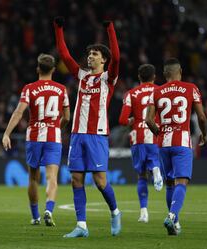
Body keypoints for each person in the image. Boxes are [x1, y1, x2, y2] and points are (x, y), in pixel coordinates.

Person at [54, 17, 121, 238]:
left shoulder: (108, 78)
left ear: (104, 60)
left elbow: (117, 56)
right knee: (76, 179)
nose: (90, 56)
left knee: (100, 182)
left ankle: (115, 212)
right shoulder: (81, 76)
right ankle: (81, 226)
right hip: (77, 135)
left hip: (97, 135)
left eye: (95, 54)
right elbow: (64, 55)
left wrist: (109, 28)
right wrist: (59, 29)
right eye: (89, 54)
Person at [2, 53, 70, 227]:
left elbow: (19, 112)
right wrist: (56, 128)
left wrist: (7, 133)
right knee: (52, 177)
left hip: (34, 137)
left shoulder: (29, 88)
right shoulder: (62, 89)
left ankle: (35, 216)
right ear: (54, 70)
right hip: (53, 138)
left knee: (33, 178)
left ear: (38, 69)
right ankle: (49, 209)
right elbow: (67, 118)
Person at [146, 58, 207, 235]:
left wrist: (160, 133)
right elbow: (202, 117)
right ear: (180, 71)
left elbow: (148, 120)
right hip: (182, 142)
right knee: (182, 182)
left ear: (165, 74)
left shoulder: (157, 91)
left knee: (170, 183)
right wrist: (204, 134)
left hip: (164, 144)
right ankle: (172, 216)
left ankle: (176, 224)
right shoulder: (191, 88)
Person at [118, 64, 163, 223]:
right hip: (155, 135)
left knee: (141, 176)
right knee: (153, 163)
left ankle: (144, 212)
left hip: (138, 137)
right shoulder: (160, 91)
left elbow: (122, 120)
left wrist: (132, 120)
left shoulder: (131, 94)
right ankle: (155, 168)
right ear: (154, 77)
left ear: (139, 77)